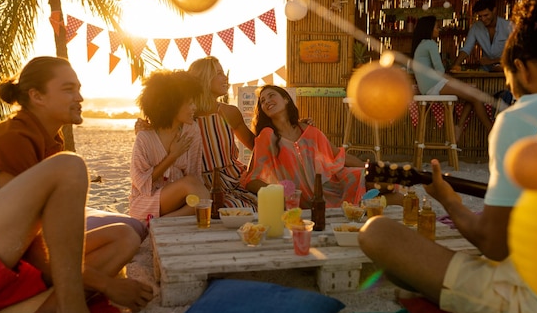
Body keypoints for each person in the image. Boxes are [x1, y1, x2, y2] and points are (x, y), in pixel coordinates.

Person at [359, 0, 537, 313]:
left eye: (509, 78)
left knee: (376, 233)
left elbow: (495, 247)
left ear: (523, 69)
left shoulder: (520, 118)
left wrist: (449, 201)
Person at [0, 57, 153, 313]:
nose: (79, 97)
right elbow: (33, 250)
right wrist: (106, 285)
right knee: (69, 166)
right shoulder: (16, 138)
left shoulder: (49, 140)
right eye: (68, 89)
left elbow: (44, 242)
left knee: (124, 235)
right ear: (36, 96)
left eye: (78, 89)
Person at [241, 85, 367, 207]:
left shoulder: (309, 132)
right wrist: (279, 193)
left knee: (370, 180)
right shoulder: (267, 137)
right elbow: (252, 180)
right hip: (296, 199)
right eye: (262, 101)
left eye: (271, 95)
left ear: (286, 100)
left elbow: (339, 156)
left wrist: (370, 169)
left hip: (326, 191)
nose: (267, 101)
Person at [129, 69, 209, 220]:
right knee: (195, 190)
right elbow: (142, 183)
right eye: (190, 103)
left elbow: (194, 173)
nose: (194, 108)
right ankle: (162, 222)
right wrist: (173, 156)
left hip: (179, 201)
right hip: (147, 201)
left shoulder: (191, 131)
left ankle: (163, 222)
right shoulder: (145, 137)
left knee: (203, 197)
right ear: (173, 105)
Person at [187, 56, 258, 209]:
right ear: (204, 78)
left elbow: (257, 147)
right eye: (218, 73)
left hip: (234, 182)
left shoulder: (228, 112)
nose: (225, 77)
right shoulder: (186, 115)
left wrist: (295, 128)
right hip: (200, 187)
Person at [411, 15, 495, 141]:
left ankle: (459, 127)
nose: (438, 29)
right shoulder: (430, 44)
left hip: (428, 87)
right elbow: (440, 71)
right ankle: (492, 132)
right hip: (434, 86)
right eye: (436, 27)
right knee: (476, 95)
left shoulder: (420, 46)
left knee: (474, 92)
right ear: (429, 29)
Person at [450, 0, 513, 72]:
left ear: (494, 10)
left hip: (506, 71)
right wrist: (455, 66)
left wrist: (492, 61)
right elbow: (466, 49)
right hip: (485, 71)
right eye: (480, 16)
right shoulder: (475, 27)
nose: (483, 19)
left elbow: (517, 53)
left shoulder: (509, 27)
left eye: (486, 15)